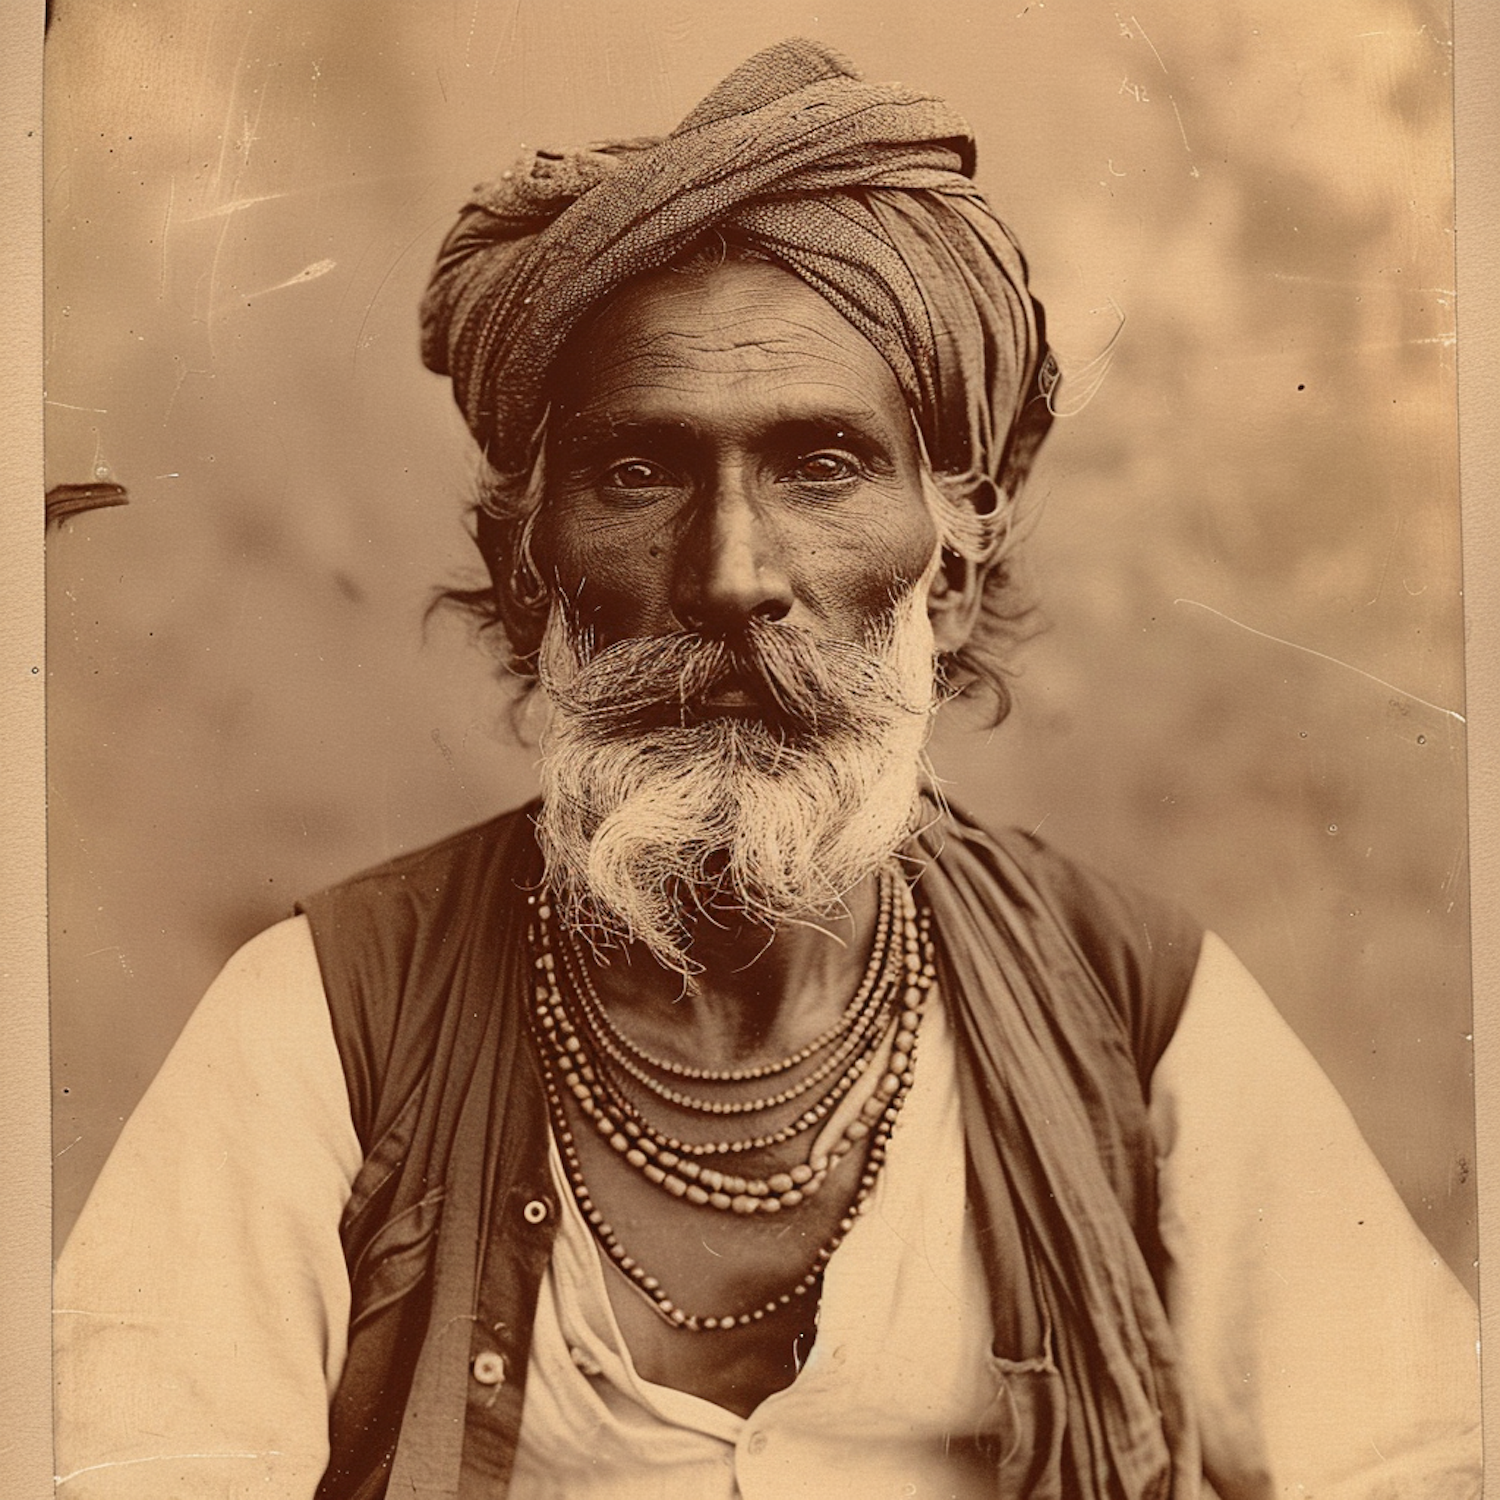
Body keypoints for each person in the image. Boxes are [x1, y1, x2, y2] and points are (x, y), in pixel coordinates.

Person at [53, 38, 1479, 1500]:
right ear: (527, 567)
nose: (731, 575)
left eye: (821, 466)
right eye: (638, 472)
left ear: (953, 571)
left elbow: (1415, 1463)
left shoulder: (1136, 1004)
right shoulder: (324, 1023)